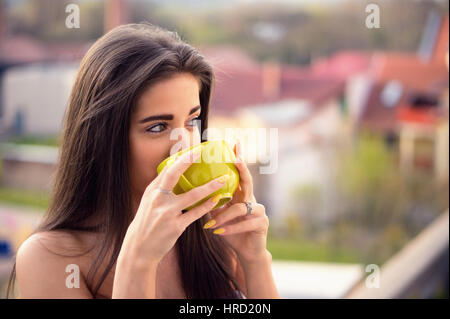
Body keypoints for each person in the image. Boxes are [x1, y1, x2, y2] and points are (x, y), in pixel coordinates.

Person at [6, 23, 279, 299]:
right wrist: (139, 263)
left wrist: (255, 261)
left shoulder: (214, 239)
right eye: (158, 127)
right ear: (103, 139)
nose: (184, 143)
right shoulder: (51, 258)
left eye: (192, 121)